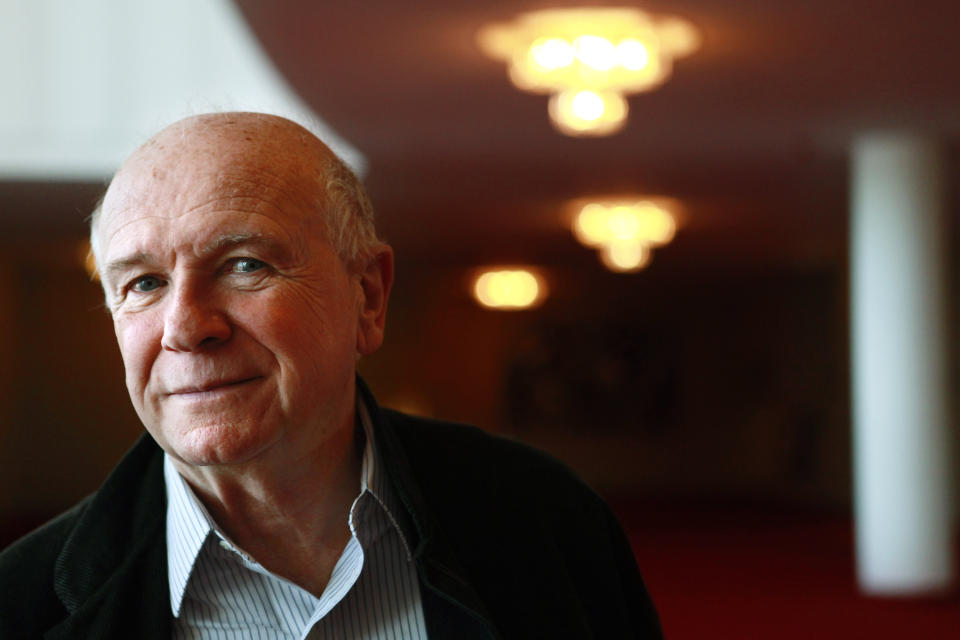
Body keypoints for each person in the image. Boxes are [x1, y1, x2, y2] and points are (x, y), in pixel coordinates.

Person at [0, 112, 662, 639]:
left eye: (244, 264)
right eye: (144, 283)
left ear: (368, 296)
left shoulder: (549, 523)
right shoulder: (20, 607)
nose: (184, 327)